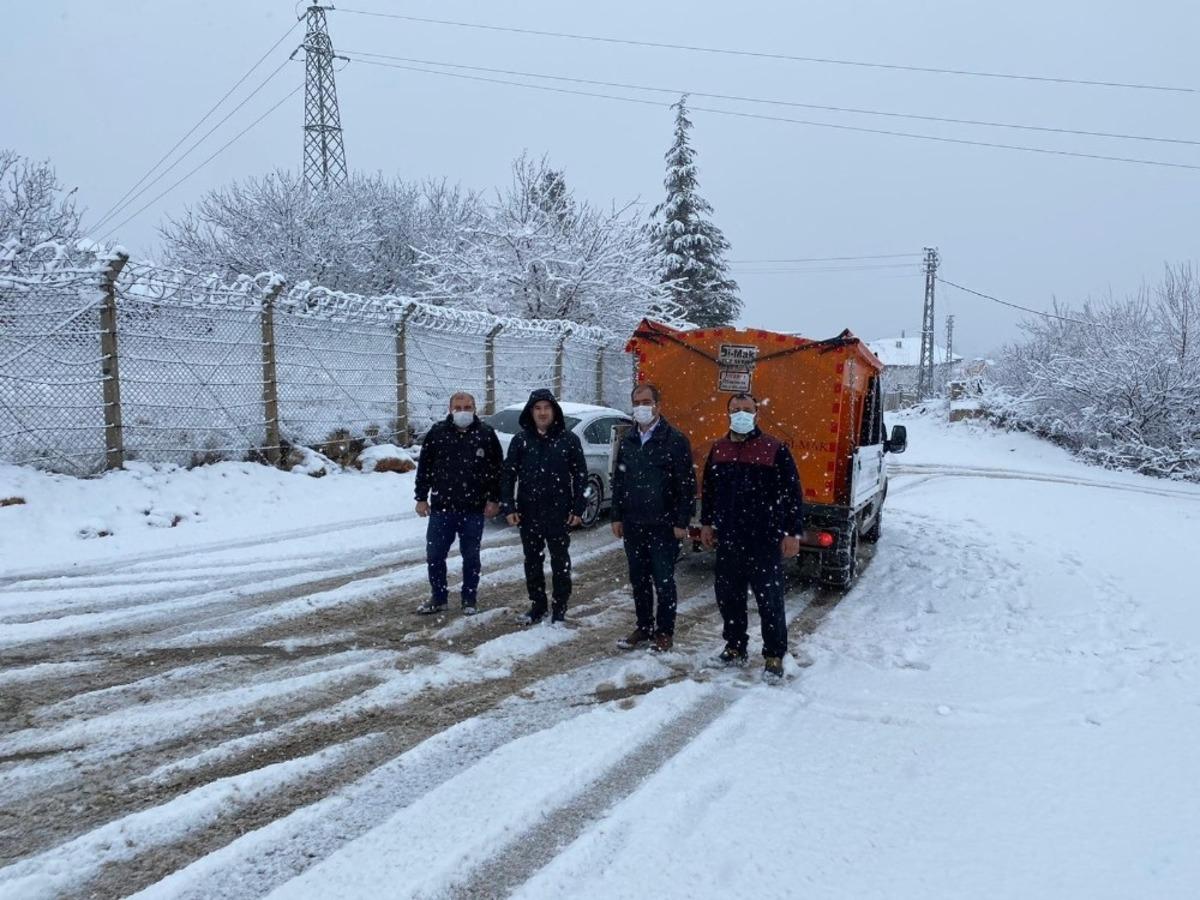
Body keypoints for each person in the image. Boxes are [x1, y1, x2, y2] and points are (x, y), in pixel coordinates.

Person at [700, 393, 804, 681]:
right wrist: (707, 523)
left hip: (764, 540)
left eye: (747, 410)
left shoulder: (773, 449)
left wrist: (792, 532)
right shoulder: (719, 449)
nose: (741, 414)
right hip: (729, 539)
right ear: (727, 414)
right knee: (728, 598)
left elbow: (792, 494)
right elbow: (709, 491)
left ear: (757, 414)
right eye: (736, 410)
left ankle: (774, 655)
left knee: (769, 600)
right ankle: (735, 646)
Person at [611, 383, 696, 653]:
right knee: (639, 579)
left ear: (658, 405)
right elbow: (620, 481)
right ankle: (644, 626)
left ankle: (664, 632)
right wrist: (617, 516)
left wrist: (681, 521)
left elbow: (686, 485)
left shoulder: (675, 440)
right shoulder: (628, 441)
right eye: (637, 402)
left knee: (664, 581)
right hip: (634, 523)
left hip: (663, 525)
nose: (642, 407)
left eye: (646, 401)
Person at [500, 388, 588, 625]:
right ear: (531, 412)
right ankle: (538, 605)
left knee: (560, 562)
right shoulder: (521, 441)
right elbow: (508, 475)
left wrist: (578, 508)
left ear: (554, 411)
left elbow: (581, 476)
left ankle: (560, 606)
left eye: (546, 407)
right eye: (537, 408)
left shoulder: (569, 440)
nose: (542, 412)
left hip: (560, 514)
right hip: (528, 513)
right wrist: (509, 507)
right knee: (532, 561)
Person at [414, 391, 503, 616]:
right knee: (435, 556)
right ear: (450, 409)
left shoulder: (486, 434)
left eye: (468, 407)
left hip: (473, 510)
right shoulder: (437, 433)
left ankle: (469, 599)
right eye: (458, 407)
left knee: (471, 557)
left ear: (475, 409)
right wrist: (421, 498)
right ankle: (439, 598)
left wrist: (494, 499)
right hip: (442, 508)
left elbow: (496, 470)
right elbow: (425, 467)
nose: (463, 412)